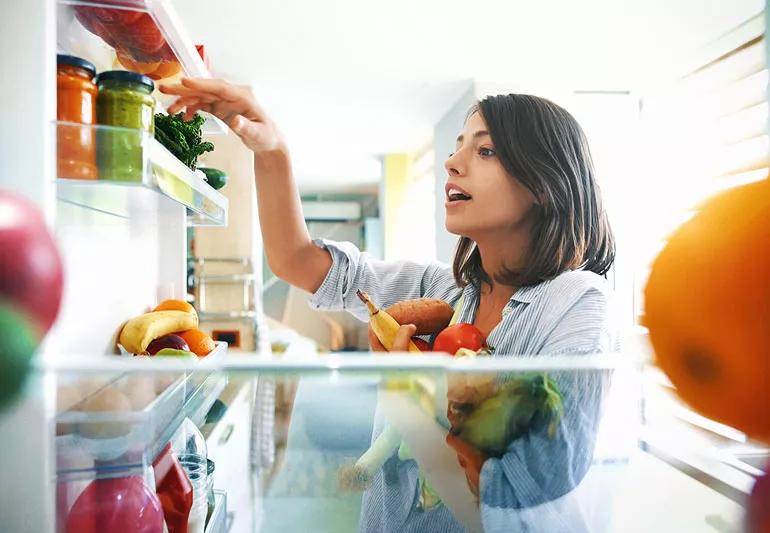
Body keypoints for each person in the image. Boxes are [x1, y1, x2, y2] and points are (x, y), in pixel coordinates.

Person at [161, 79, 617, 531]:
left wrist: (406, 396)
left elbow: (521, 494)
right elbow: (296, 260)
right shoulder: (442, 288)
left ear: (544, 181)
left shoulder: (576, 301)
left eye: (485, 151)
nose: (452, 162)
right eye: (458, 146)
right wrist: (271, 148)